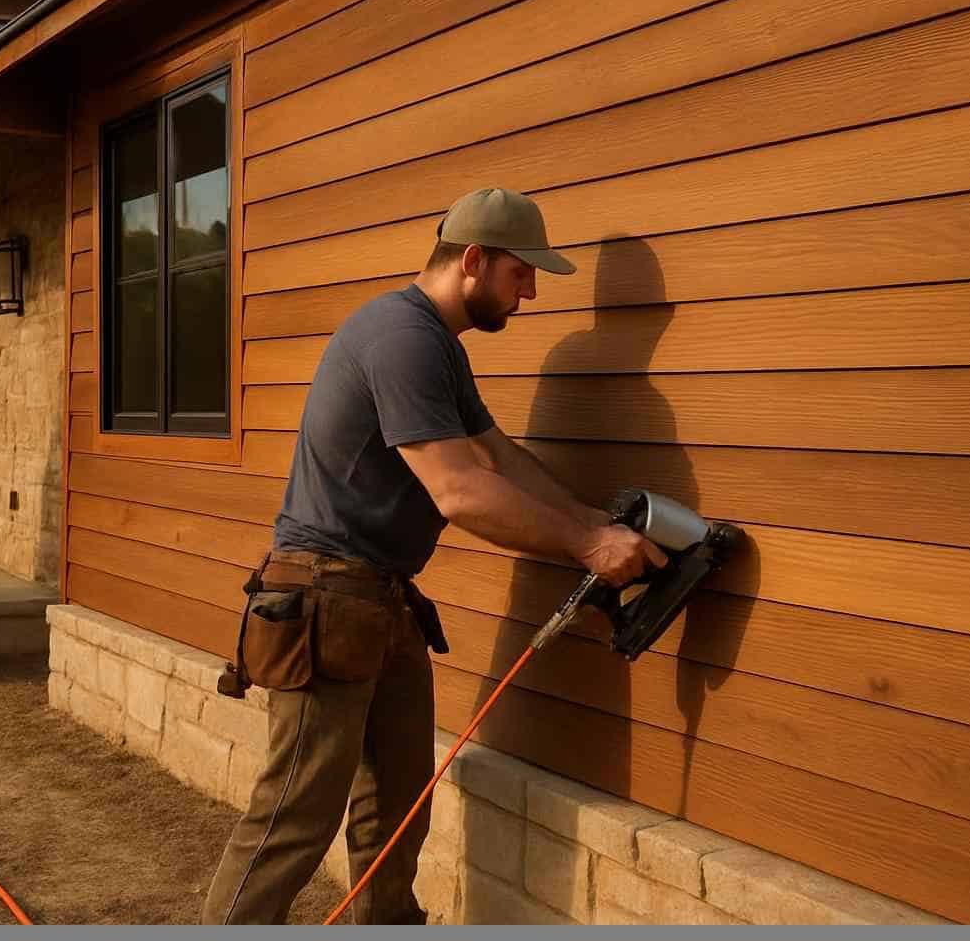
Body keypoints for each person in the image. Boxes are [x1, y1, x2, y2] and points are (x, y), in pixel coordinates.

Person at [201, 188, 666, 924]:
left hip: (380, 604)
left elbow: (497, 457)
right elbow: (460, 491)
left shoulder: (437, 347)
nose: (532, 291)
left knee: (395, 814)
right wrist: (586, 543)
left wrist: (597, 522)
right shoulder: (402, 336)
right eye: (522, 273)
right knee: (293, 821)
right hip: (326, 601)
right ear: (473, 260)